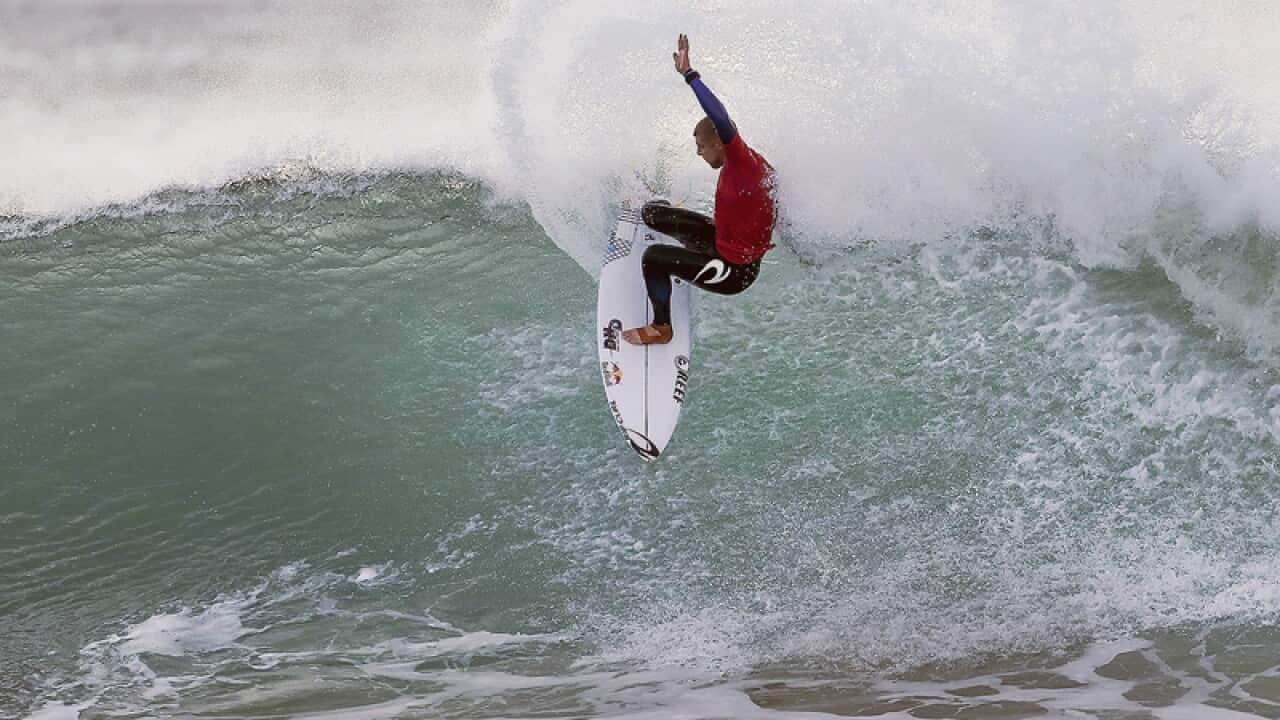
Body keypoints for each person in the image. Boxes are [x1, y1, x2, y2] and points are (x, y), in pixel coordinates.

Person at [621, 33, 778, 346]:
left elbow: (718, 114)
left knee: (653, 258)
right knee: (652, 213)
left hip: (734, 272)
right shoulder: (748, 164)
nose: (698, 153)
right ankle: (686, 257)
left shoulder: (741, 160)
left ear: (720, 142)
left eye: (701, 147)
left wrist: (690, 76)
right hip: (720, 241)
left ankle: (661, 328)